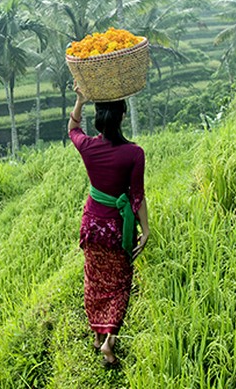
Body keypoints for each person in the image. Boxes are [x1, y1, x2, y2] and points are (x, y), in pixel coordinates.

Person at [68, 83, 149, 367]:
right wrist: (146, 230)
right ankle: (108, 342)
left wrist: (80, 100)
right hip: (117, 229)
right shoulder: (134, 153)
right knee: (119, 284)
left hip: (92, 226)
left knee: (95, 280)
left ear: (99, 119)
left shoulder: (89, 147)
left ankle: (96, 334)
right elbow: (136, 196)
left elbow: (73, 130)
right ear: (123, 116)